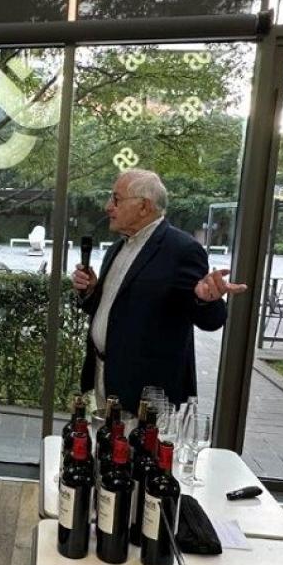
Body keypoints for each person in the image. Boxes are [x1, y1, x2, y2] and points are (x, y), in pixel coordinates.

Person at [71, 169, 246, 410]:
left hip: (144, 392)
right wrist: (92, 291)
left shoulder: (182, 250)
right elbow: (113, 309)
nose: (107, 207)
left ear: (144, 207)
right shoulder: (116, 248)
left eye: (116, 199)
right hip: (102, 375)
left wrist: (206, 300)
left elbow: (210, 319)